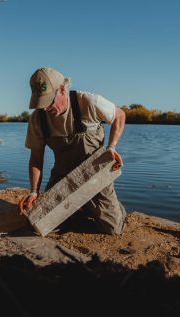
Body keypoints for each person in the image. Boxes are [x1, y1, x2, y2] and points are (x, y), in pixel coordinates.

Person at [19, 67, 127, 235]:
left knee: (113, 229)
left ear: (63, 89)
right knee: (41, 224)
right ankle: (82, 208)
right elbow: (36, 159)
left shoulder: (88, 102)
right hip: (62, 176)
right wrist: (34, 191)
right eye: (41, 103)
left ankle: (114, 210)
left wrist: (111, 147)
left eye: (49, 101)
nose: (46, 108)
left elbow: (119, 115)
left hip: (94, 173)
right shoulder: (37, 119)